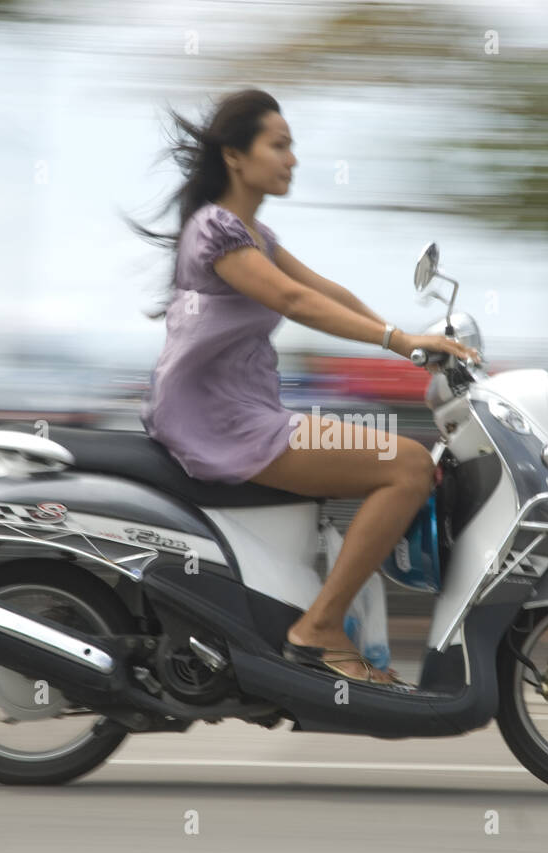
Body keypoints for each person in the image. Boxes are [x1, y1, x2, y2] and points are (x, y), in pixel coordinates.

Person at [130, 89, 478, 688]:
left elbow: (325, 291)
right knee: (407, 467)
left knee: (398, 460)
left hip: (242, 413)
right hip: (223, 422)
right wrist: (399, 343)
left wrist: (412, 337)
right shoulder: (216, 229)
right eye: (279, 145)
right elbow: (293, 301)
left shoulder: (252, 234)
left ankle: (311, 617)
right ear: (237, 157)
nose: (292, 159)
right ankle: (318, 628)